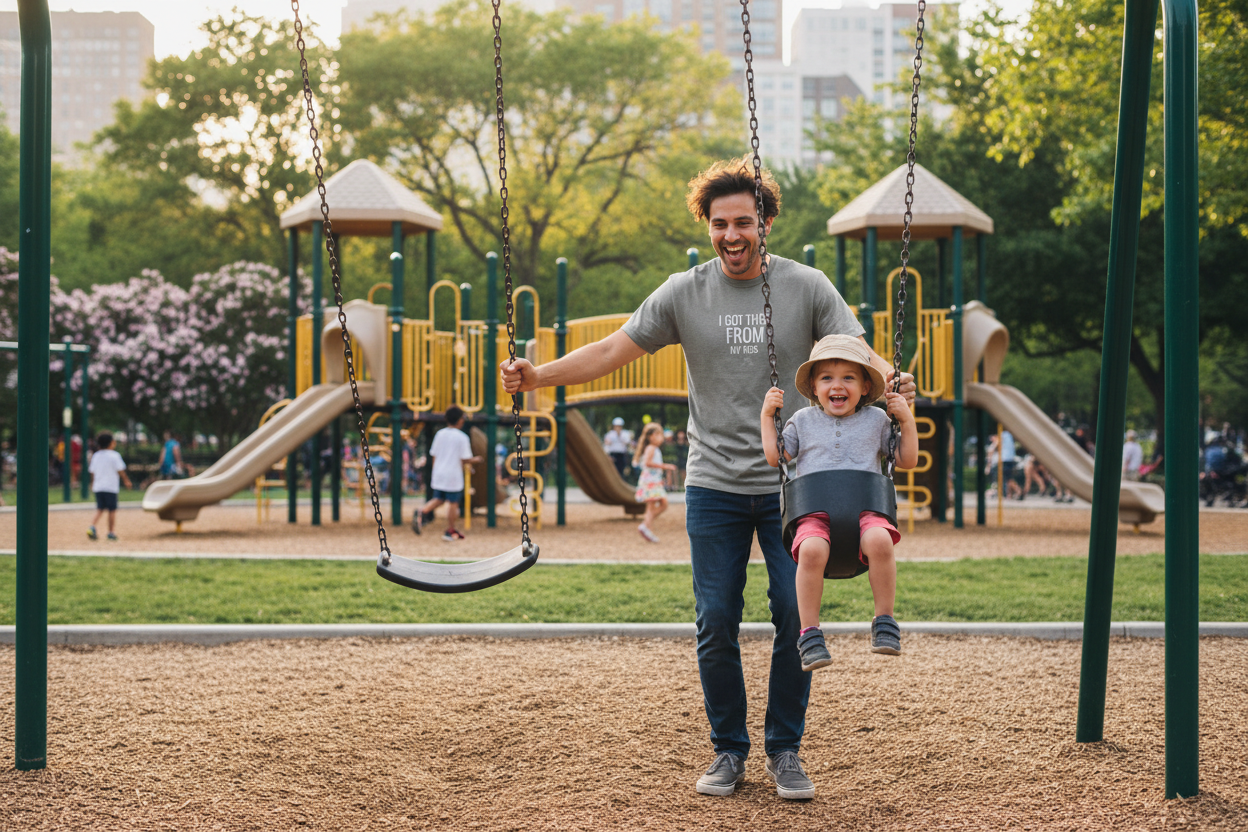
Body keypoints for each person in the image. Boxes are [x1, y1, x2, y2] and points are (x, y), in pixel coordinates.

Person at [501, 157, 916, 801]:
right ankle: (729, 749)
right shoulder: (683, 292)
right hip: (714, 482)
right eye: (720, 223)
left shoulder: (806, 286)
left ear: (766, 223)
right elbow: (614, 349)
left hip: (794, 484)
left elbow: (857, 354)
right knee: (716, 617)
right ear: (707, 225)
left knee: (789, 610)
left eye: (744, 222)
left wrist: (894, 382)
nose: (732, 235)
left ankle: (784, 749)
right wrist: (539, 375)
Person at [761, 336, 918, 668]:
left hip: (867, 510)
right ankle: (810, 633)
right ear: (814, 387)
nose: (838, 385)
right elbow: (777, 457)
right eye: (827, 378)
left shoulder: (877, 421)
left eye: (848, 377)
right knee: (812, 550)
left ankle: (885, 621)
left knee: (879, 539)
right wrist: (767, 417)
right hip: (813, 513)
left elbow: (906, 459)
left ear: (864, 386)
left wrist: (906, 420)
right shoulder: (801, 421)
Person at [411, 405, 481, 541]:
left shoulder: (440, 434)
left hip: (439, 472)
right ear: (461, 420)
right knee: (453, 502)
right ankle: (450, 529)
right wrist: (476, 460)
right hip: (453, 474)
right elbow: (465, 458)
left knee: (439, 498)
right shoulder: (462, 437)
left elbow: (434, 454)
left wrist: (437, 469)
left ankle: (421, 511)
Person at [634, 422, 676, 542]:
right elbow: (647, 463)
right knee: (660, 504)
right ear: (652, 436)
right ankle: (646, 525)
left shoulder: (654, 448)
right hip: (650, 481)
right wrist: (665, 466)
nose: (661, 438)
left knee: (655, 505)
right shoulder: (651, 448)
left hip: (653, 480)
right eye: (659, 435)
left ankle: (647, 526)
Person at [86, 432, 132, 541]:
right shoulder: (115, 455)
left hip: (99, 486)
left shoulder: (96, 455)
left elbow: (92, 472)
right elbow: (120, 470)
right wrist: (126, 481)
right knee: (112, 510)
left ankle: (92, 526)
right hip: (110, 487)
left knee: (100, 508)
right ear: (111, 443)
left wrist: (92, 483)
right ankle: (111, 532)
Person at [603, 417, 633, 482]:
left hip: (622, 455)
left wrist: (619, 435)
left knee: (622, 471)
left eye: (619, 426)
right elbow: (606, 445)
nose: (617, 428)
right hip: (613, 455)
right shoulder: (610, 434)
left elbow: (628, 443)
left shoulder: (625, 434)